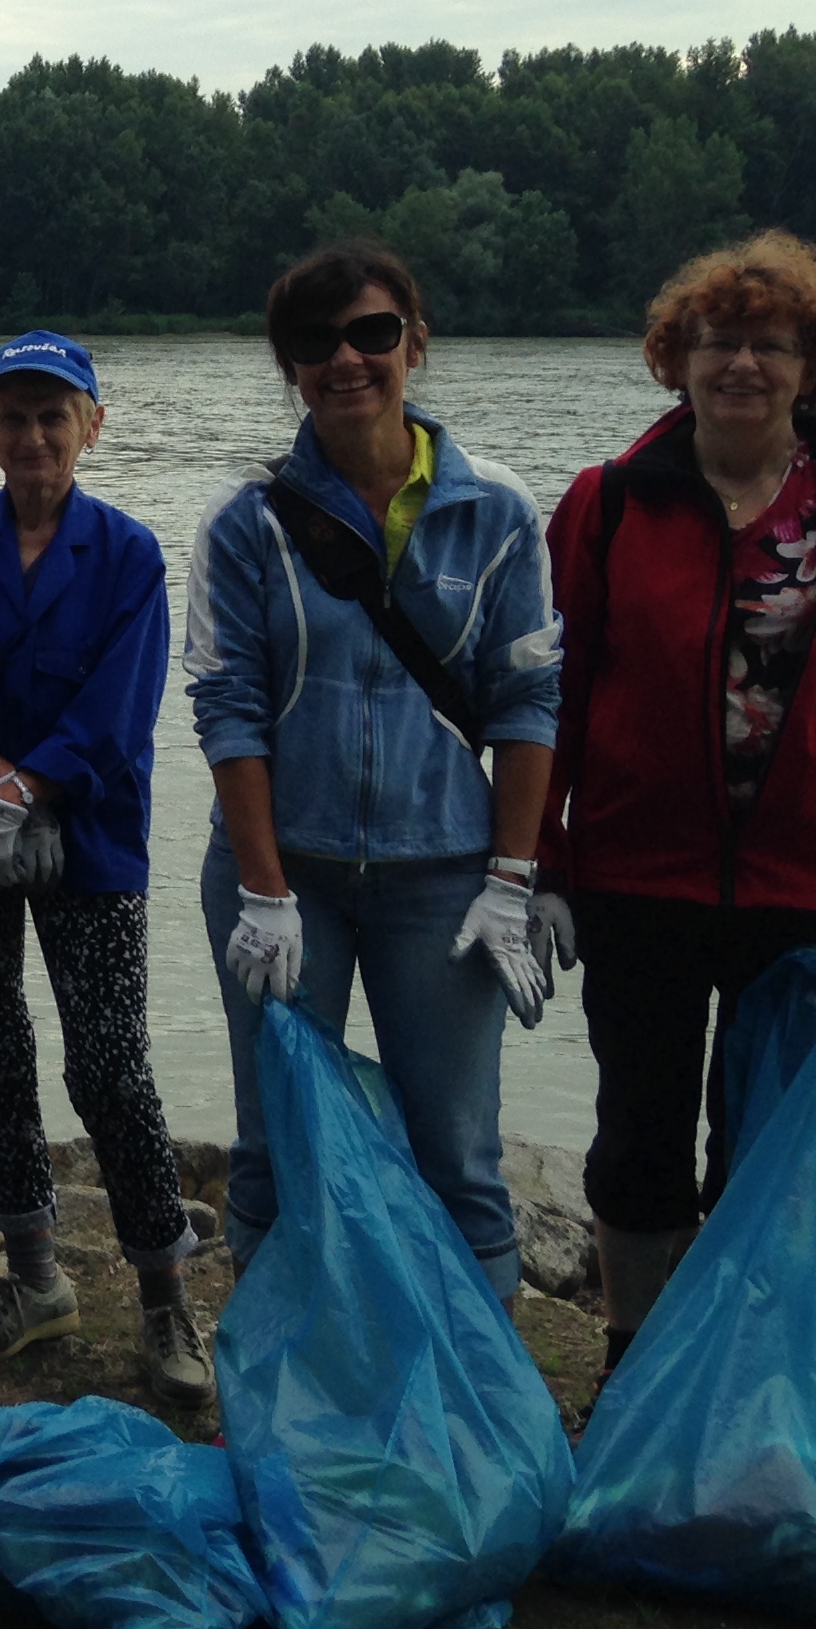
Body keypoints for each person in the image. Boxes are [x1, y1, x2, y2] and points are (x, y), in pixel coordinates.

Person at [535, 230, 816, 1371]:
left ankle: (754, 1390)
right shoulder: (608, 504)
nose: (743, 366)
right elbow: (551, 700)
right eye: (719, 342)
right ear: (678, 360)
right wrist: (541, 863)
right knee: (638, 1142)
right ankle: (633, 1370)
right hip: (635, 879)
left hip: (813, 891)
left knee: (777, 1159)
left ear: (814, 366)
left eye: (772, 345)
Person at [184, 242, 561, 1298]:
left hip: (445, 879)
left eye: (372, 333)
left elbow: (531, 698)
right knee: (277, 1145)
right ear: (289, 369)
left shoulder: (500, 513)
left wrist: (512, 880)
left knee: (457, 1154)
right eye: (316, 342)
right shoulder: (242, 521)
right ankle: (277, 1399)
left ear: (416, 342)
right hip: (281, 872)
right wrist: (263, 893)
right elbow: (229, 708)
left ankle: (477, 1418)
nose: (346, 359)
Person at [0, 331, 208, 1405]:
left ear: (93, 427)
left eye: (54, 415)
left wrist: (36, 790)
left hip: (93, 839)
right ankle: (32, 1277)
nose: (33, 436)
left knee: (110, 1061)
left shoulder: (128, 555)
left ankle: (166, 1295)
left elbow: (121, 710)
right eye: (13, 417)